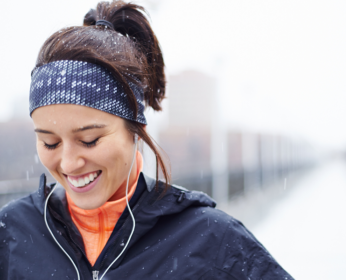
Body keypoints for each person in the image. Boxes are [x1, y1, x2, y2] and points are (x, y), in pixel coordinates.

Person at [0, 1, 294, 279]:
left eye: (89, 140)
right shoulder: (11, 233)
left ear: (135, 130)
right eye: (50, 143)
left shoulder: (210, 240)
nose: (68, 162)